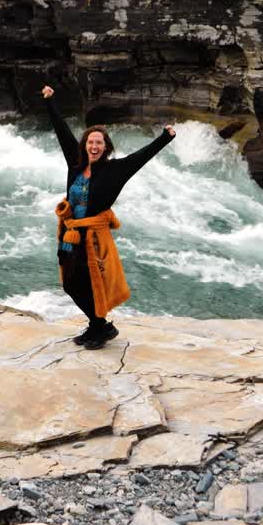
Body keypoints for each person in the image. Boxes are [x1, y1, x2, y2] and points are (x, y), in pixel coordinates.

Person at [42, 84, 175, 349]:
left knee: (89, 283)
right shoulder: (76, 164)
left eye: (99, 143)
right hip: (70, 232)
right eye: (90, 142)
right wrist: (50, 101)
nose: (94, 146)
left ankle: (99, 327)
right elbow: (62, 131)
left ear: (106, 147)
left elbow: (141, 157)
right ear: (85, 145)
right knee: (70, 284)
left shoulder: (116, 171)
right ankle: (99, 325)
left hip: (91, 237)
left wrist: (165, 137)